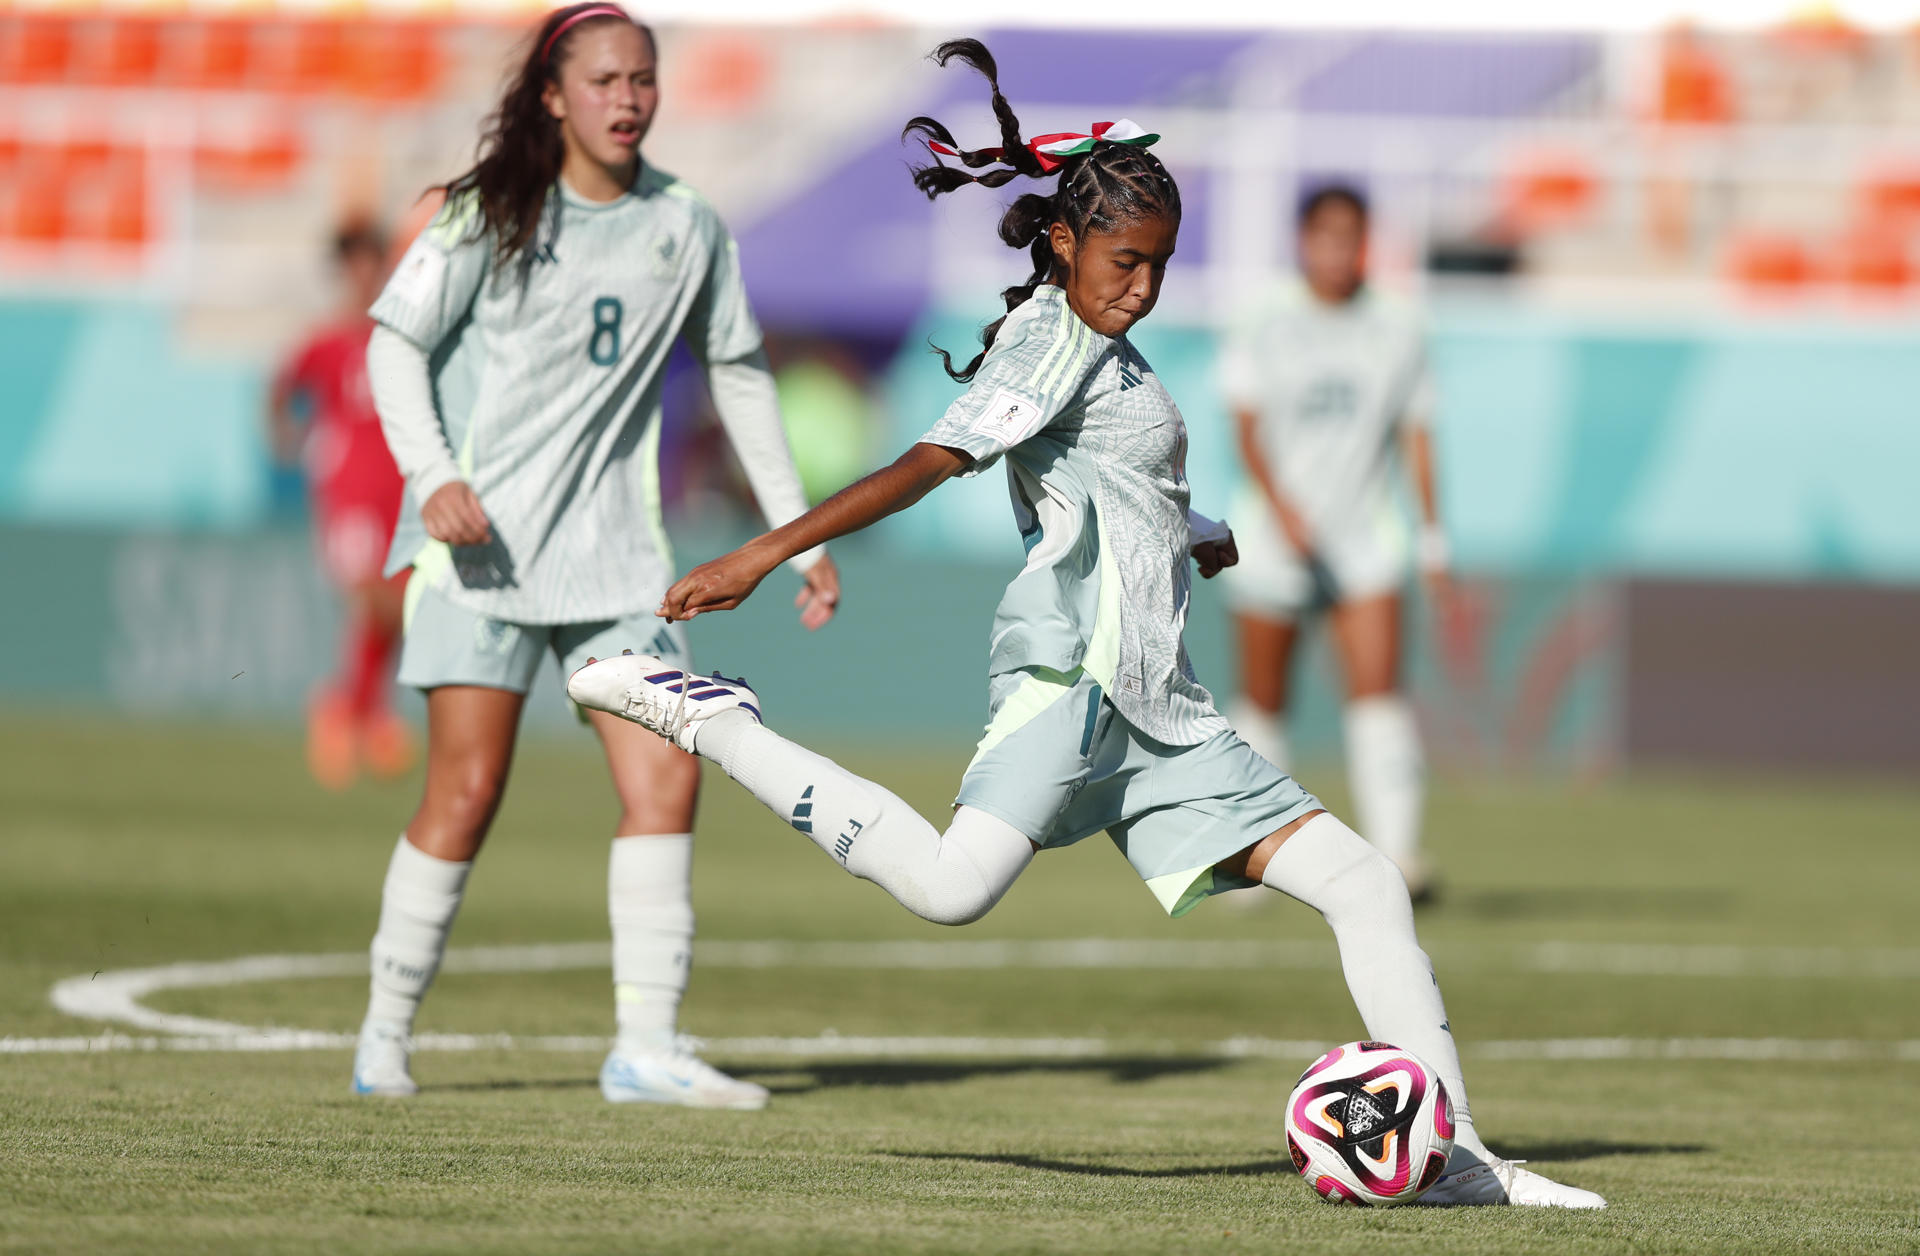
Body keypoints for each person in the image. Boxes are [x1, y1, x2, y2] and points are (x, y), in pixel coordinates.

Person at [567, 41, 1604, 1209]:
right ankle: (712, 720)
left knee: (1366, 883)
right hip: (1076, 683)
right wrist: (769, 551)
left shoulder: (1110, 348)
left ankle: (1457, 1156)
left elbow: (1111, 479)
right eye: (1125, 260)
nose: (1144, 284)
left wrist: (1196, 525)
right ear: (1063, 244)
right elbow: (930, 461)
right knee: (951, 889)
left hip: (1161, 711)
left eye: (1159, 264)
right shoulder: (1051, 339)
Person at [351, 2, 841, 1108]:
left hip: (618, 561)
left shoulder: (686, 223)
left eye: (644, 79)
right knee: (466, 793)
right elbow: (395, 345)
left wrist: (793, 533)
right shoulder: (488, 213)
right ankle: (384, 1033)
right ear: (552, 95)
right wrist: (435, 477)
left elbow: (742, 372)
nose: (629, 98)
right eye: (606, 80)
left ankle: (646, 1047)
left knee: (669, 774)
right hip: (479, 553)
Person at [1218, 184, 1450, 903]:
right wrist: (1283, 509)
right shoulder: (1263, 320)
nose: (1338, 251)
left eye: (1352, 236)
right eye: (1325, 235)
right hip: (1273, 538)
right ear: (1302, 239)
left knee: (1380, 698)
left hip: (1363, 538)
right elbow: (1246, 426)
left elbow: (1416, 431)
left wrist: (1434, 535)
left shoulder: (1398, 325)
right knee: (1264, 703)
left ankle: (1398, 860)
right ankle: (1254, 860)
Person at [268, 216, 414, 790]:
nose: (364, 271)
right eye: (353, 261)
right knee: (370, 599)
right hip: (348, 491)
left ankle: (359, 709)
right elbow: (283, 389)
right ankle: (350, 710)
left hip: (398, 491)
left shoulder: (403, 337)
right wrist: (283, 437)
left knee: (399, 607)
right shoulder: (326, 341)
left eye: (371, 258)